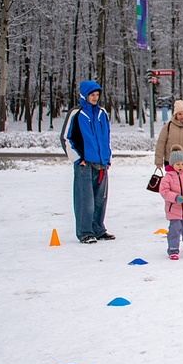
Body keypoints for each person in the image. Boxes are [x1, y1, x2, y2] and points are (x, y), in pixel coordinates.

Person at [61, 79, 114, 244]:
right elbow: (65, 138)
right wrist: (77, 159)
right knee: (86, 200)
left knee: (100, 199)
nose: (95, 97)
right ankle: (85, 232)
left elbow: (106, 137)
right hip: (85, 164)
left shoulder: (102, 113)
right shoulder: (76, 114)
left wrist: (108, 157)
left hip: (101, 163)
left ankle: (98, 229)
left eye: (97, 95)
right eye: (92, 94)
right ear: (85, 95)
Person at [159, 145, 183, 260]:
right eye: (177, 164)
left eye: (182, 164)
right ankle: (173, 249)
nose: (180, 166)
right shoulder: (167, 178)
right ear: (172, 164)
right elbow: (164, 191)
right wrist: (175, 197)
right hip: (174, 209)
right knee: (174, 229)